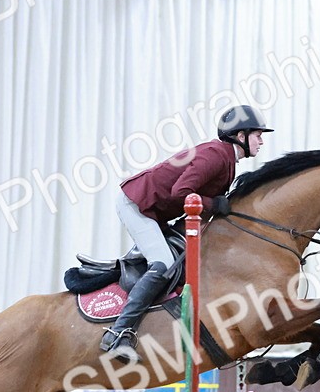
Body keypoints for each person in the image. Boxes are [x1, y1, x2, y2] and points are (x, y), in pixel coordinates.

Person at [100, 105, 273, 363]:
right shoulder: (216, 155)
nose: (261, 140)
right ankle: (118, 333)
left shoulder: (226, 159)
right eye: (257, 134)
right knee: (165, 264)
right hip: (137, 204)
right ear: (240, 136)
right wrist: (215, 205)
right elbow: (181, 192)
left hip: (154, 208)